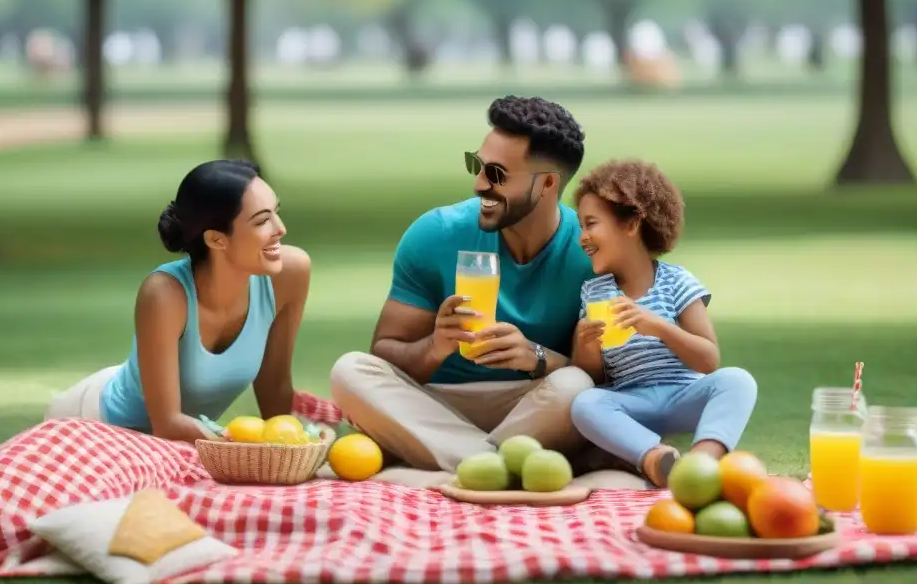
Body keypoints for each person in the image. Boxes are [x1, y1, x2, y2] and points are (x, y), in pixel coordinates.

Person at [330, 96, 597, 473]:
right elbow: (386, 352)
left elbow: (611, 376)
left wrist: (536, 357)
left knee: (577, 387)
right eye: (477, 165)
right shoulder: (436, 233)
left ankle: (461, 461)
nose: (478, 184)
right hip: (436, 405)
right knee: (349, 370)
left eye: (497, 174)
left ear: (547, 184)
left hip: (533, 405)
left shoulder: (592, 252)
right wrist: (435, 347)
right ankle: (494, 466)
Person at [44, 159, 312, 444]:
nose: (280, 228)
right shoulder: (164, 294)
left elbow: (274, 387)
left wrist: (289, 446)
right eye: (262, 221)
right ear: (217, 240)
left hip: (176, 441)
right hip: (96, 428)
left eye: (276, 212)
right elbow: (167, 425)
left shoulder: (289, 274)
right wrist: (243, 444)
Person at [568, 159, 758, 487]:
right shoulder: (594, 292)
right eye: (581, 226)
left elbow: (708, 359)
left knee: (738, 381)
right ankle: (656, 458)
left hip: (684, 394)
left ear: (631, 225)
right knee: (585, 403)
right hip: (631, 399)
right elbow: (592, 375)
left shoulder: (676, 282)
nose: (582, 237)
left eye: (591, 224)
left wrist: (658, 326)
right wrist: (585, 345)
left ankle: (703, 461)